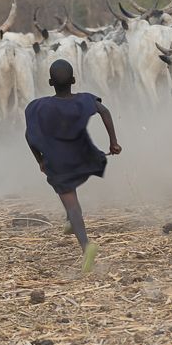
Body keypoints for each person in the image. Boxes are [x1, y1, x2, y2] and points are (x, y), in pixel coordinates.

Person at [24, 60, 122, 272]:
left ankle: (87, 248)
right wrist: (113, 142)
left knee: (72, 204)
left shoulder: (38, 106)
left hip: (58, 163)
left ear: (50, 82)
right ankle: (70, 221)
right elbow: (105, 111)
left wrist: (39, 160)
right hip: (83, 158)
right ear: (74, 81)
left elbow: (29, 136)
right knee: (70, 191)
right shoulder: (85, 99)